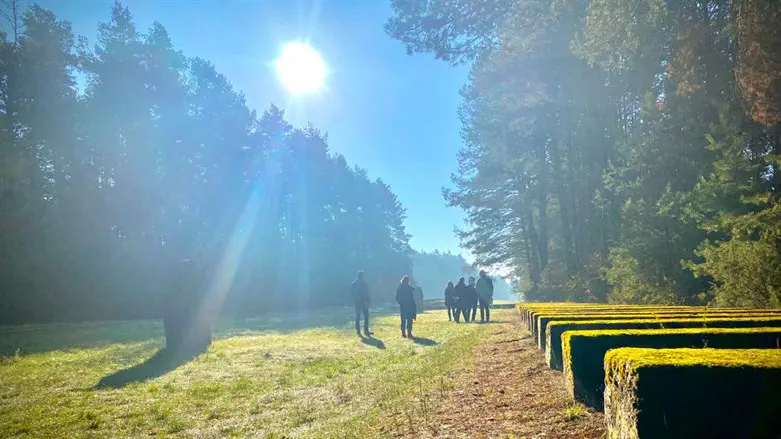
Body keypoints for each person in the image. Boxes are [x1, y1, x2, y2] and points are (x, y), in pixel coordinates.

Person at [350, 271, 372, 336]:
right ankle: (365, 330)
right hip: (362, 302)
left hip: (358, 302)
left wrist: (354, 301)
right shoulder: (363, 283)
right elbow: (366, 293)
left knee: (358, 316)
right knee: (365, 316)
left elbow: (352, 294)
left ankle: (358, 331)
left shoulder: (354, 283)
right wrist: (368, 301)